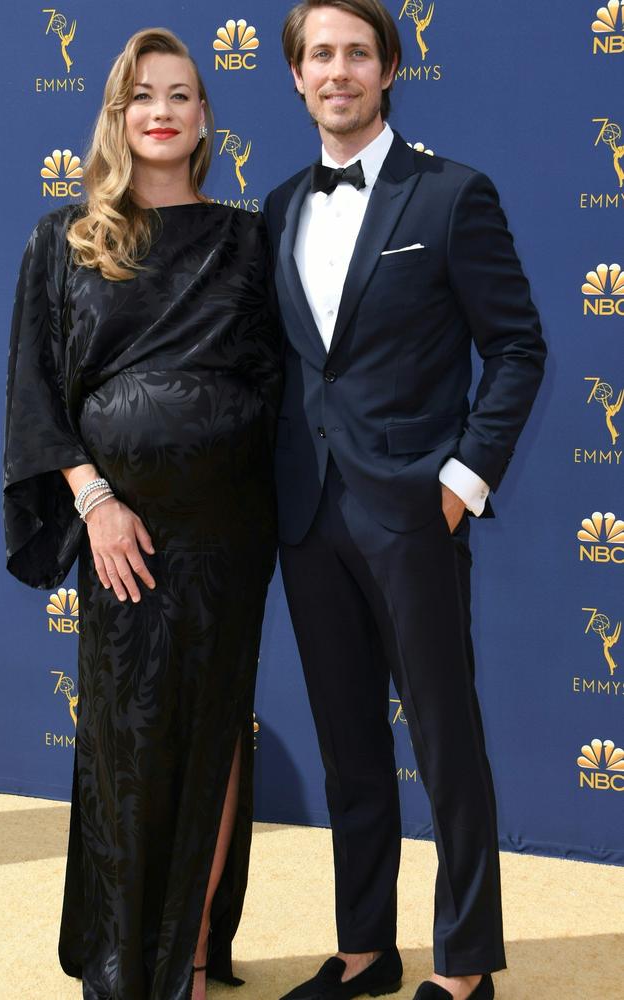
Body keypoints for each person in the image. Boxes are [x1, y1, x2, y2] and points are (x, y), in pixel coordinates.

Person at [263, 2, 546, 999]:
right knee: (348, 743)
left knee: (443, 738)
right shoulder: (276, 208)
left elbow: (515, 346)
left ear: (387, 68)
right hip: (305, 515)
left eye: (354, 53)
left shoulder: (451, 196)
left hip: (413, 511)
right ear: (295, 77)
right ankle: (364, 949)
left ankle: (465, 965)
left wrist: (461, 482)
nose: (336, 71)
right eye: (318, 55)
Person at [4, 28, 280, 1000]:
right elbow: (37, 396)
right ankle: (127, 954)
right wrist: (97, 501)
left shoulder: (251, 238)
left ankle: (192, 956)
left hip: (227, 535)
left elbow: (292, 381)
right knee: (126, 741)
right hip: (118, 535)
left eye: (180, 93)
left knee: (210, 736)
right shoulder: (64, 238)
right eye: (140, 95)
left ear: (205, 117)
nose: (161, 109)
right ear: (117, 116)